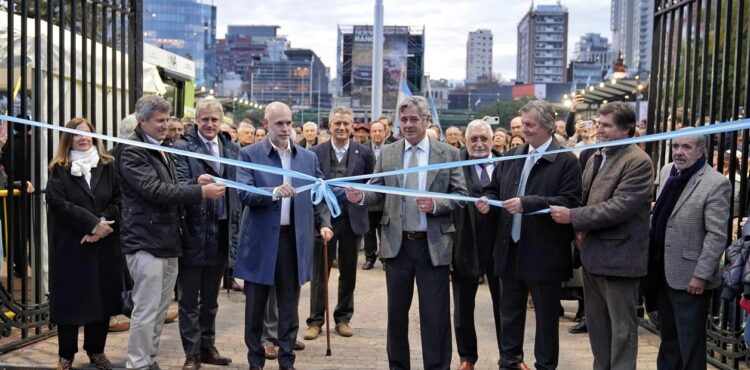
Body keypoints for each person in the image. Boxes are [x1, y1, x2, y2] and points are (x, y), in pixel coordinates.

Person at [345, 96, 467, 370]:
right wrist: (361, 197)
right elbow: (377, 192)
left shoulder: (447, 154)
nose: (408, 125)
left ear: (426, 121)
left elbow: (462, 196)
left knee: (434, 317)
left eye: (414, 119)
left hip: (433, 247)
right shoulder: (388, 154)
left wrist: (437, 204)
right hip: (397, 247)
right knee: (396, 317)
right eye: (404, 120)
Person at [119, 95, 226, 370]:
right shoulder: (132, 150)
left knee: (158, 310)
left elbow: (171, 185)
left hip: (167, 241)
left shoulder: (162, 148)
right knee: (145, 310)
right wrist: (200, 191)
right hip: (145, 241)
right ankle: (138, 364)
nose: (165, 125)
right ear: (142, 121)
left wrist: (193, 181)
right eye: (159, 120)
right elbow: (155, 190)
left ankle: (149, 359)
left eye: (167, 119)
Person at [477, 100, 582, 370]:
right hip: (510, 248)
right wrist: (487, 200)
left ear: (547, 126)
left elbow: (570, 201)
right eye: (522, 124)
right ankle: (509, 362)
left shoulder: (566, 161)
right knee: (509, 312)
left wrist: (529, 203)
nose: (524, 130)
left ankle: (545, 366)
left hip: (544, 252)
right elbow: (494, 188)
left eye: (530, 125)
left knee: (546, 318)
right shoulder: (513, 155)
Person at [550, 101, 653, 370]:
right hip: (592, 257)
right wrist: (577, 228)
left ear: (626, 130)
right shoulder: (597, 155)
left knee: (621, 331)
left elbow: (619, 207)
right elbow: (584, 197)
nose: (599, 130)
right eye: (598, 124)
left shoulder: (638, 162)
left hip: (620, 261)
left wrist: (574, 217)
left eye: (606, 126)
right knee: (598, 329)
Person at [235, 101, 333, 370]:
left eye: (289, 123)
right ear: (266, 124)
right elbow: (242, 192)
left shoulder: (307, 157)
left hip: (293, 241)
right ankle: (255, 361)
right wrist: (272, 193)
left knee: (289, 309)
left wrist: (324, 223)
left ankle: (287, 362)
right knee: (255, 309)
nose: (285, 128)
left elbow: (319, 195)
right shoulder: (249, 154)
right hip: (260, 242)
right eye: (279, 123)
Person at [645, 132, 730, 370]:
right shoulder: (667, 171)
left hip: (690, 278)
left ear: (701, 151)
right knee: (668, 341)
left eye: (686, 147)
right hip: (661, 271)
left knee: (690, 345)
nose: (679, 152)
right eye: (675, 146)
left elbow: (716, 235)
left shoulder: (715, 183)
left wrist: (701, 275)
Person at [47, 118, 123, 370]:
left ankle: (96, 350)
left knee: (101, 302)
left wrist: (102, 227)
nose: (83, 138)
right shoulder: (59, 168)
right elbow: (59, 204)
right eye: (76, 134)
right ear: (68, 139)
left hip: (103, 245)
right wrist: (91, 224)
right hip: (72, 246)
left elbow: (119, 200)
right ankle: (65, 355)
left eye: (87, 133)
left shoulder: (108, 165)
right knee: (70, 303)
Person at [173, 99, 239, 370]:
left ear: (221, 120)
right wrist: (194, 184)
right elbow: (177, 184)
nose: (210, 124)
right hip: (193, 231)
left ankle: (207, 346)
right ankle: (191, 353)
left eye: (214, 119)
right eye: (205, 119)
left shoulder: (232, 149)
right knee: (189, 298)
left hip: (222, 230)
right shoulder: (182, 148)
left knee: (212, 297)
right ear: (196, 121)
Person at [304, 107, 375, 340]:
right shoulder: (315, 152)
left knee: (348, 272)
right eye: (337, 124)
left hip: (352, 220)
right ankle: (315, 320)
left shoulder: (364, 153)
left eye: (346, 123)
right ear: (330, 125)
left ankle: (343, 318)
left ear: (353, 126)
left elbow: (371, 185)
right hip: (323, 220)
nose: (342, 128)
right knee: (319, 271)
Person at [451, 119, 502, 370]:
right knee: (463, 307)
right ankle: (467, 358)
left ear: (492, 140)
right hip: (464, 243)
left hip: (499, 246)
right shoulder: (456, 165)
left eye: (484, 139)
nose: (479, 144)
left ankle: (511, 356)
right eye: (474, 139)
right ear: (465, 141)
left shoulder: (507, 163)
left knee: (505, 304)